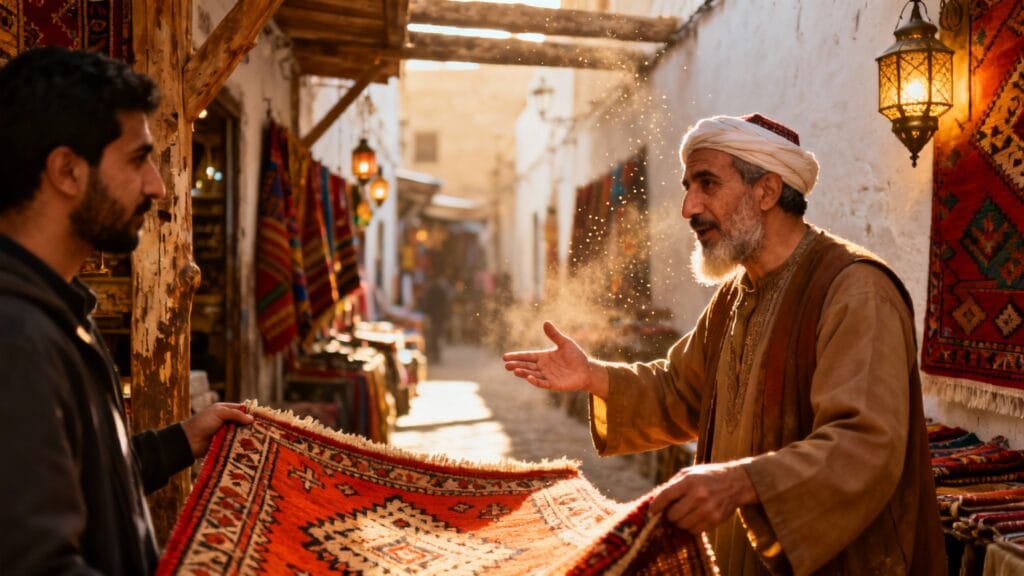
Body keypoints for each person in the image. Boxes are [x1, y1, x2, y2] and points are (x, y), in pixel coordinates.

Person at [504, 113, 945, 575]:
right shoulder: (736, 294)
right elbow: (681, 390)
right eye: (687, 186)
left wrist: (741, 483)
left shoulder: (856, 290)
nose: (688, 207)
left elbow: (864, 444)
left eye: (707, 184)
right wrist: (594, 375)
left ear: (767, 191)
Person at [0, 47, 253, 575]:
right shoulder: (17, 338)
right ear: (67, 170)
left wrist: (183, 440)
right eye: (139, 159)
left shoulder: (55, 312)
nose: (157, 186)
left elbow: (85, 483)